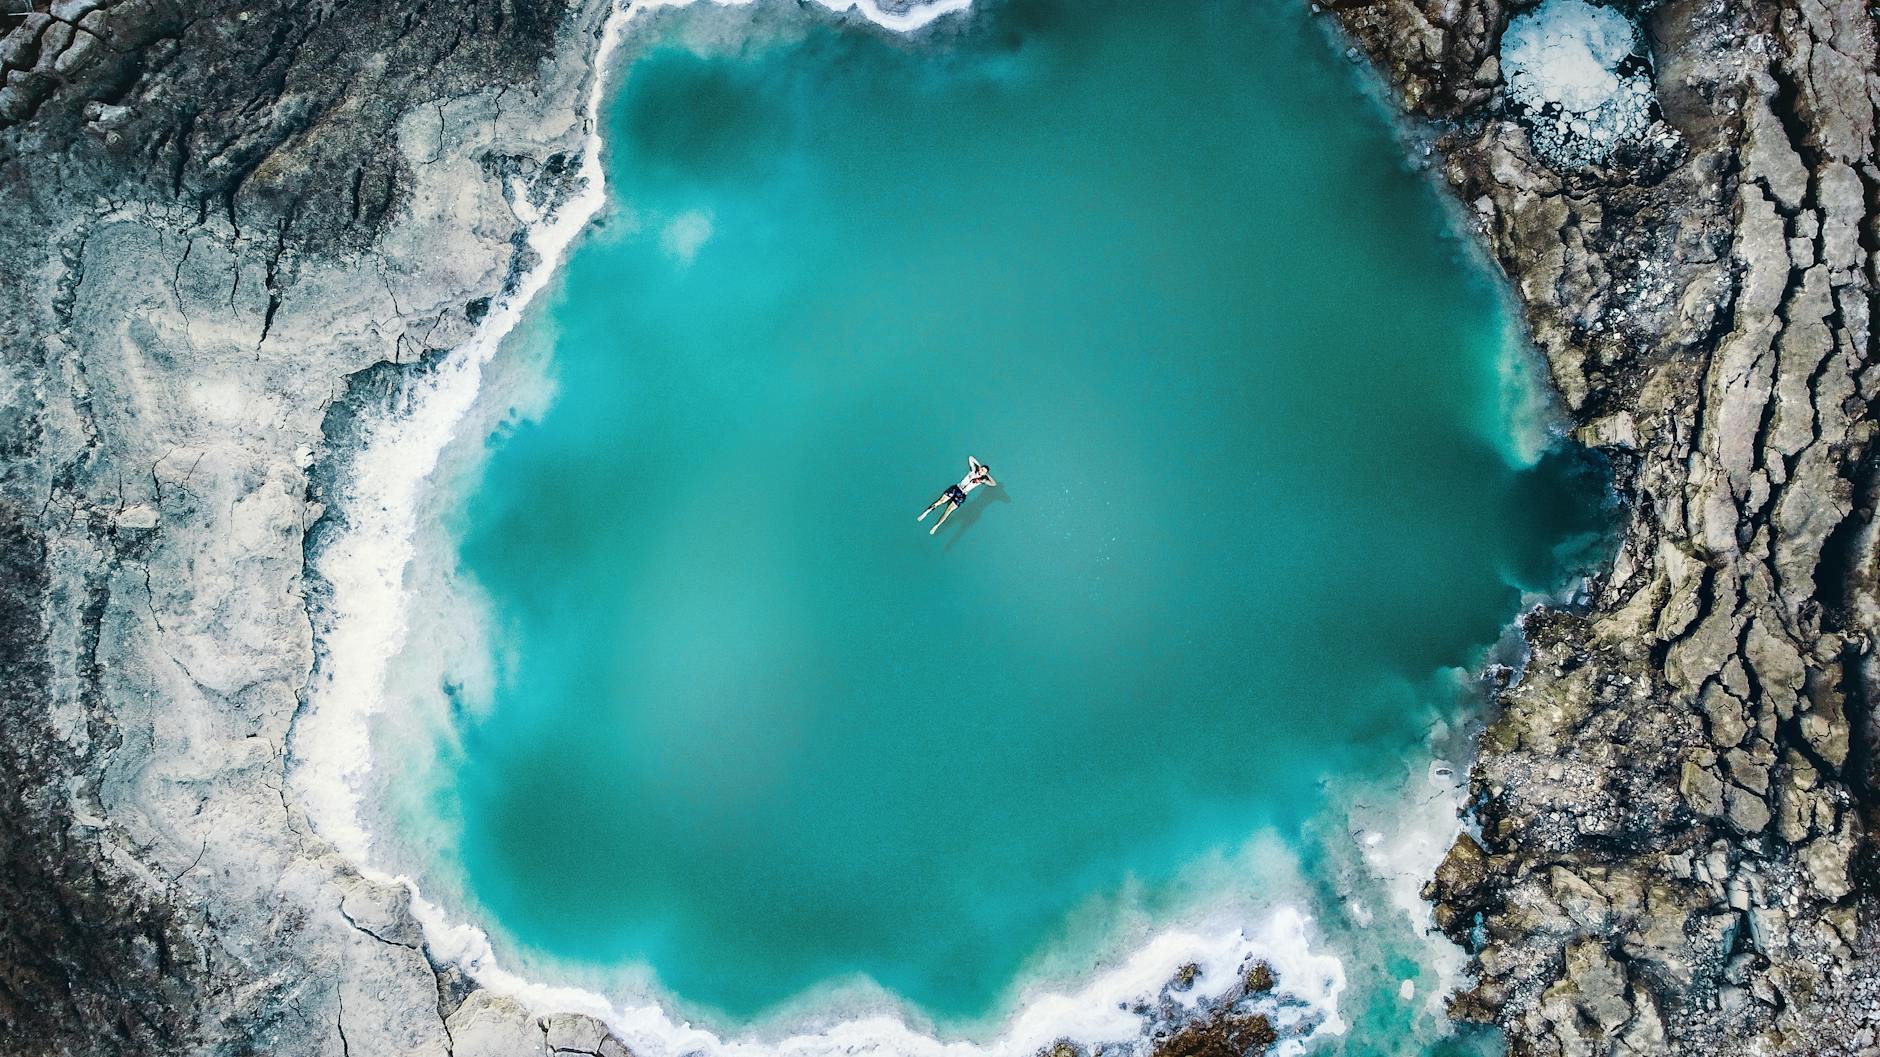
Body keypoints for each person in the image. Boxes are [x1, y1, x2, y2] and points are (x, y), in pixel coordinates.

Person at [918, 456, 997, 535]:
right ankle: (926, 512)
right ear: (980, 468)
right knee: (940, 501)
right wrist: (979, 466)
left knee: (948, 511)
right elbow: (970, 458)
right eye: (982, 469)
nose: (982, 471)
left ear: (985, 473)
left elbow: (994, 484)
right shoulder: (973, 470)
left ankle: (936, 526)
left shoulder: (981, 481)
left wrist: (987, 475)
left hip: (962, 495)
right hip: (956, 488)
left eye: (984, 471)